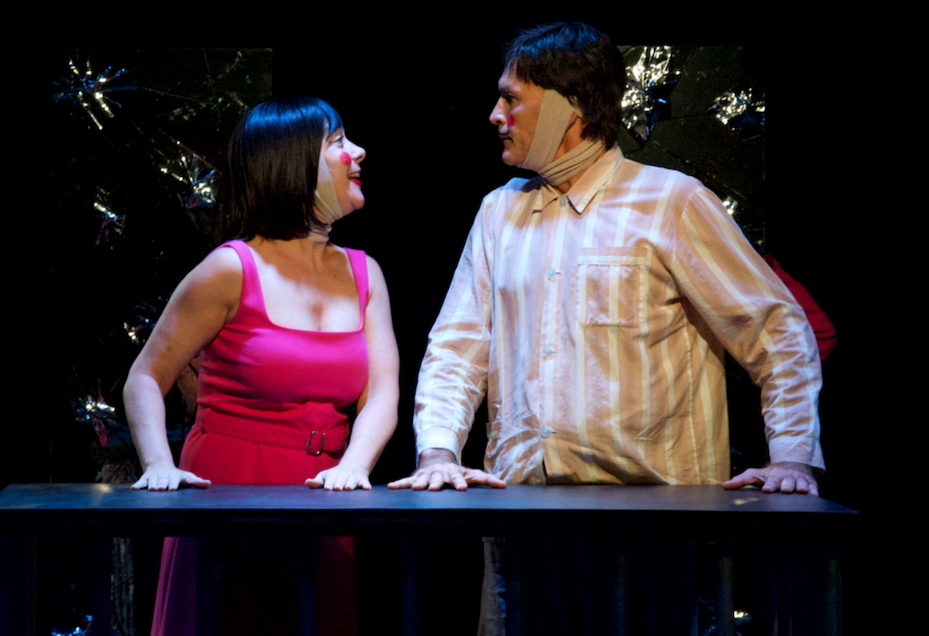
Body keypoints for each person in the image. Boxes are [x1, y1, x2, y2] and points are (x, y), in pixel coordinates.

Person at [388, 23, 824, 632]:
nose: (495, 115)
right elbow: (458, 347)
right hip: (524, 513)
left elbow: (777, 331)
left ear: (570, 107)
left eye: (512, 98)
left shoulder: (671, 202)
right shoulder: (499, 211)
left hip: (651, 521)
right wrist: (438, 451)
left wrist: (794, 459)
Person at [125, 97, 399, 635]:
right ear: (292, 164)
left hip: (323, 496)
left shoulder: (365, 274)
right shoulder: (230, 269)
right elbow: (146, 376)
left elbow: (383, 392)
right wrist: (158, 464)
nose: (359, 151)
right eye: (338, 142)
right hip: (229, 494)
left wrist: (355, 466)